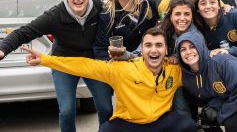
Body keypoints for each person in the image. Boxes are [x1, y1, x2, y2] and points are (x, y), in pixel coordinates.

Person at [23, 27, 197, 132]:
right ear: (141, 50)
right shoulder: (122, 69)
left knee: (188, 126)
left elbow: (200, 72)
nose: (154, 50)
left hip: (160, 122)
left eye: (159, 45)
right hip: (129, 124)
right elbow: (84, 65)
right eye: (148, 45)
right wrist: (46, 60)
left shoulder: (174, 70)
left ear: (166, 50)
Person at [0, 0, 112, 132]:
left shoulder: (99, 7)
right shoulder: (54, 16)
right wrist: (3, 49)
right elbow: (24, 32)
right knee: (66, 111)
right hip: (63, 63)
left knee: (106, 107)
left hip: (91, 62)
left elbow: (120, 11)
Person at [176, 30, 237, 132]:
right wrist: (213, 107)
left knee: (232, 123)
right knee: (207, 121)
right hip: (230, 93)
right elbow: (208, 94)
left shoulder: (221, 62)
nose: (188, 52)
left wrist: (221, 115)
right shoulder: (186, 75)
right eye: (183, 49)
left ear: (201, 46)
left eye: (192, 46)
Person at [93, 0, 158, 61]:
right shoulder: (107, 14)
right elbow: (100, 49)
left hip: (150, 59)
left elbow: (156, 29)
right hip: (124, 65)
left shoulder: (147, 2)